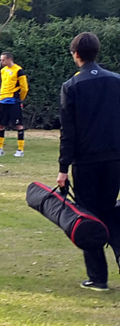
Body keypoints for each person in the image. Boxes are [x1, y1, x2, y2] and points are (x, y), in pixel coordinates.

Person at [56, 32, 120, 292]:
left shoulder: (71, 86)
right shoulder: (116, 81)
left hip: (86, 162)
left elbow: (68, 132)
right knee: (110, 211)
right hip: (114, 159)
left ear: (76, 55)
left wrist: (63, 168)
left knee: (89, 217)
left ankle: (97, 277)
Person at [0, 51, 28, 157]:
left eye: (3, 60)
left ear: (9, 59)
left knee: (18, 125)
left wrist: (19, 99)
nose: (2, 62)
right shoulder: (2, 70)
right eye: (1, 60)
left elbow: (24, 88)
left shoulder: (19, 70)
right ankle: (0, 148)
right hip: (3, 100)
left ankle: (20, 149)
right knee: (1, 124)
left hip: (14, 101)